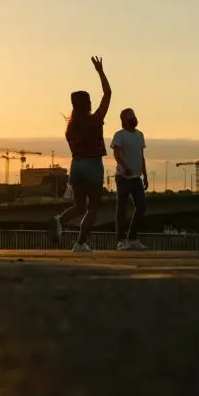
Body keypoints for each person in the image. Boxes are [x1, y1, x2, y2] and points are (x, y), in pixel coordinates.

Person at [50, 56, 111, 252]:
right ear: (88, 104)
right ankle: (81, 243)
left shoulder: (70, 129)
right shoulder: (95, 120)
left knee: (79, 207)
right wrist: (100, 71)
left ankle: (60, 219)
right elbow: (108, 94)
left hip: (76, 166)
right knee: (92, 208)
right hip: (93, 165)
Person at [111, 108, 148, 251]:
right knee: (122, 208)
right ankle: (120, 240)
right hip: (123, 177)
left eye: (134, 114)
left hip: (136, 177)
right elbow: (117, 155)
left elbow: (141, 156)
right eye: (130, 115)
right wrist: (125, 167)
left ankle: (132, 238)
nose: (133, 117)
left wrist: (144, 174)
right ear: (123, 119)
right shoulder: (119, 135)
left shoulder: (140, 135)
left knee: (141, 206)